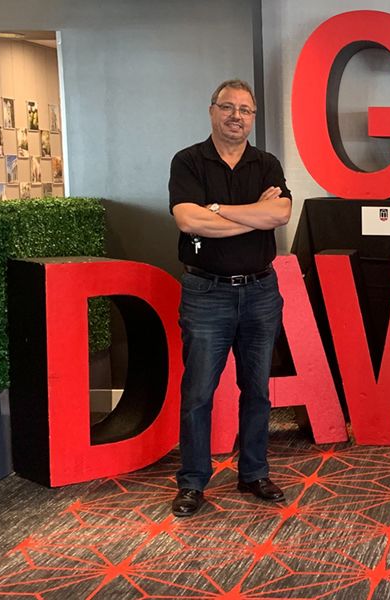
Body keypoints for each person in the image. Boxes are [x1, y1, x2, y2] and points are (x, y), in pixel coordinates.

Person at [168, 79, 292, 517]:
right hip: (207, 293)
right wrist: (249, 217)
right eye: (228, 107)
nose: (236, 115)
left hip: (260, 290)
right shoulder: (188, 161)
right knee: (199, 392)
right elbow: (187, 220)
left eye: (246, 109)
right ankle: (192, 482)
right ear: (212, 110)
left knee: (256, 390)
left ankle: (254, 472)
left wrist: (216, 211)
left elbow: (279, 213)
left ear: (253, 118)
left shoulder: (266, 163)